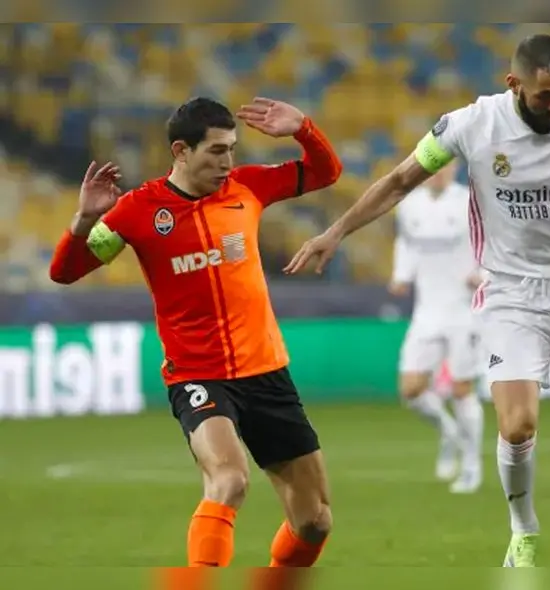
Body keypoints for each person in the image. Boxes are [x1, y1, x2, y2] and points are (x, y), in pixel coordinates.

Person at [284, 34, 550, 566]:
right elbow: (402, 179)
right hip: (511, 293)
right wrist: (336, 231)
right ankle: (523, 531)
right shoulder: (470, 125)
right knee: (517, 425)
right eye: (546, 95)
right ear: (514, 84)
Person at [49, 97, 342, 569]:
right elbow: (65, 272)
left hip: (266, 371)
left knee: (316, 521)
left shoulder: (248, 186)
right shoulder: (136, 211)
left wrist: (303, 128)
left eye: (231, 149)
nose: (227, 162)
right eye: (215, 151)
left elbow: (326, 172)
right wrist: (84, 221)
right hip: (198, 376)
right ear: (181, 151)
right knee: (229, 481)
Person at [388, 160, 486, 494]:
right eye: (434, 167)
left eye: (445, 167)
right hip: (426, 310)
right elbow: (407, 243)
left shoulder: (470, 202)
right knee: (411, 389)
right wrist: (401, 274)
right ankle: (449, 432)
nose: (439, 173)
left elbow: (495, 243)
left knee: (461, 389)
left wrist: (484, 276)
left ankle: (472, 466)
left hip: (463, 309)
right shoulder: (410, 204)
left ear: (455, 168)